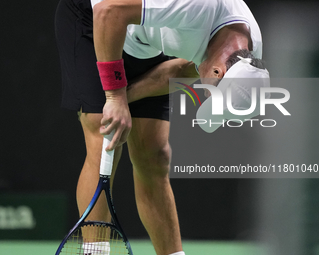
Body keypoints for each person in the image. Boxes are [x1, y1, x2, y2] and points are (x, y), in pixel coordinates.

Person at [55, 0, 266, 254]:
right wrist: (112, 97)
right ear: (218, 72)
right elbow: (108, 11)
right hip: (94, 18)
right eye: (209, 95)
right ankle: (95, 252)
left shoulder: (249, 57)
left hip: (145, 38)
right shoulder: (196, 7)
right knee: (104, 140)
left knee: (155, 155)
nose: (205, 95)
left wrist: (126, 96)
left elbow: (177, 70)